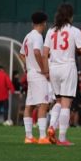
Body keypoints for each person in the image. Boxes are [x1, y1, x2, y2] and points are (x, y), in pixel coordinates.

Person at [43, 3, 81, 146]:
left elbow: (44, 53)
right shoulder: (74, 31)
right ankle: (62, 138)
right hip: (67, 67)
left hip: (53, 68)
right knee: (66, 103)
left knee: (58, 101)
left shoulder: (51, 31)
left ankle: (51, 126)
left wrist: (46, 71)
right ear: (70, 16)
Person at [20, 12, 51, 143]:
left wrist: (28, 66)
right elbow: (37, 52)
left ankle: (28, 136)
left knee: (30, 105)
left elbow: (21, 54)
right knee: (43, 104)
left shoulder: (28, 36)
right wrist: (43, 69)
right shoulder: (38, 36)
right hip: (38, 74)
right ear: (44, 22)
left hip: (30, 73)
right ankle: (43, 136)